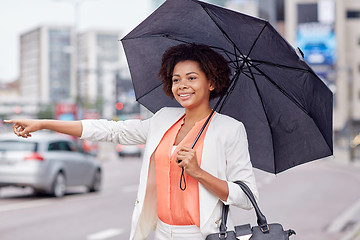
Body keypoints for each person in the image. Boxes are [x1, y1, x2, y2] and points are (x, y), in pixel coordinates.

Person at [4, 43, 258, 240]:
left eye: (192, 78)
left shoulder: (230, 129)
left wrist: (199, 173)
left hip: (203, 235)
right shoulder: (163, 119)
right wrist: (44, 123)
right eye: (176, 79)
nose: (182, 85)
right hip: (160, 232)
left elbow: (247, 197)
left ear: (211, 81)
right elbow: (110, 131)